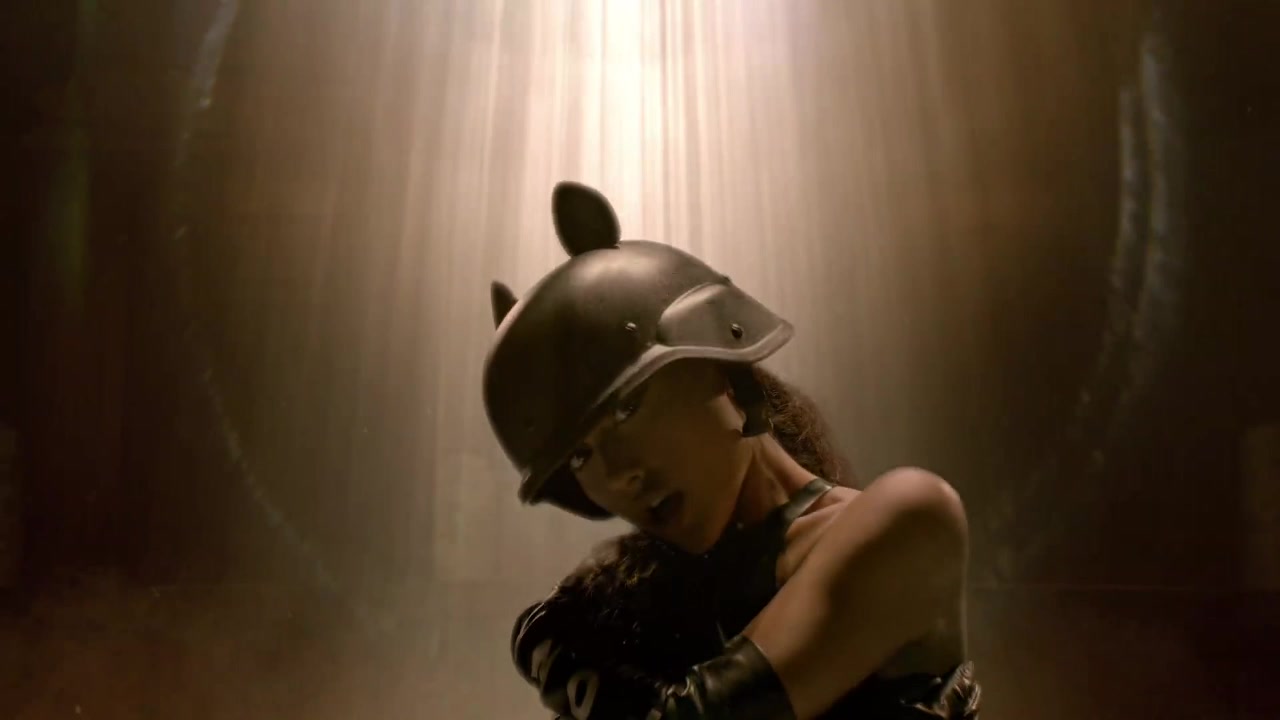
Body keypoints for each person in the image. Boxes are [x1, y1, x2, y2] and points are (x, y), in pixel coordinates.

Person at [482, 182, 982, 720]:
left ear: (718, 364)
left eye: (626, 409)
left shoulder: (910, 519)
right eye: (580, 456)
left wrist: (561, 663)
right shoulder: (650, 604)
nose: (618, 473)